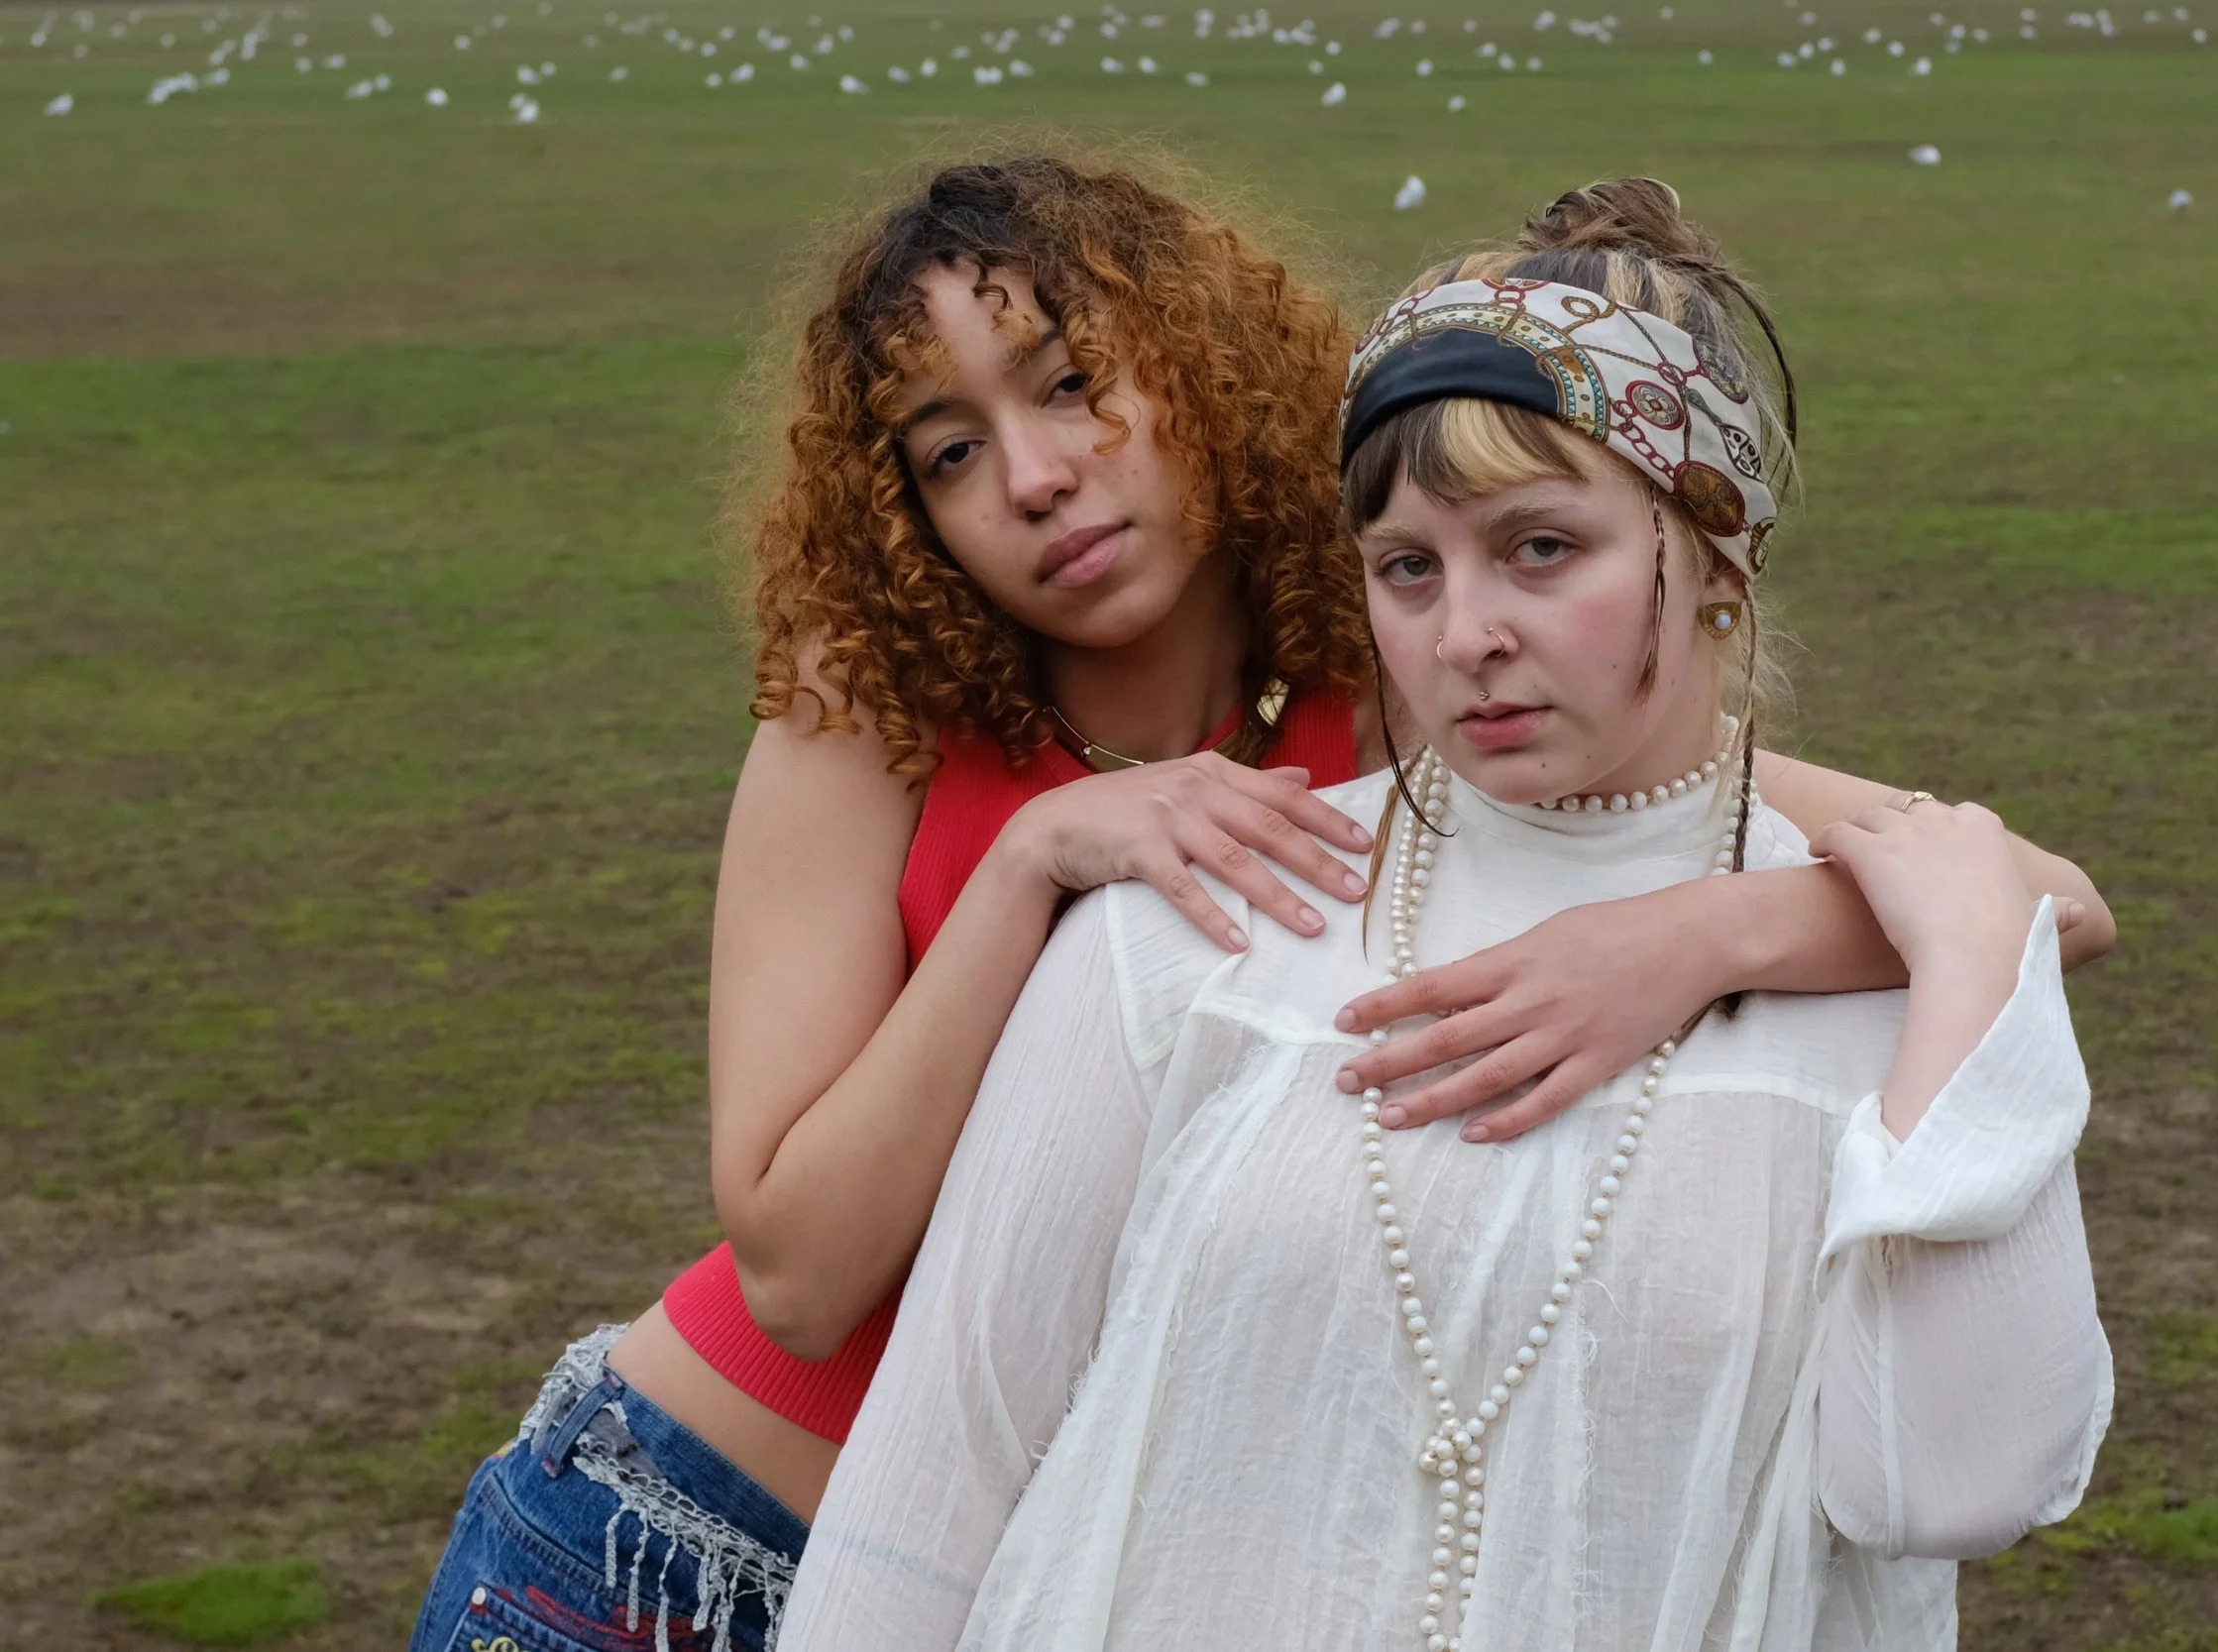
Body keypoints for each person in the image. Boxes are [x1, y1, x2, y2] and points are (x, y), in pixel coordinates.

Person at [408, 162, 2112, 1652]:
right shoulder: (866, 710)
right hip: (661, 1536)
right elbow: (795, 1273)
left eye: (1072, 385)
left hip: (1033, 1543)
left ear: (1202, 367)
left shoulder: (1390, 683)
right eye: (949, 450)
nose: (1036, 476)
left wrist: (1690, 940)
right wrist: (1033, 863)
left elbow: (2023, 893)